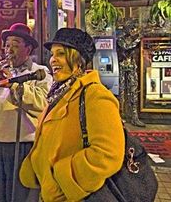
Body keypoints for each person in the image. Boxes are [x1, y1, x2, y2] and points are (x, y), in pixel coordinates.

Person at [19, 28, 125, 201]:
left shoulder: (95, 95)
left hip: (72, 195)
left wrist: (62, 177)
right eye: (52, 54)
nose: (53, 60)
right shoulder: (60, 92)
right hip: (50, 192)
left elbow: (108, 154)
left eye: (60, 53)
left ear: (78, 59)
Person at [0, 23, 52, 202]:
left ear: (28, 48)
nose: (9, 50)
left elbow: (42, 103)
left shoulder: (40, 72)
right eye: (7, 45)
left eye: (15, 45)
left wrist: (11, 81)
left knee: (21, 196)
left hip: (22, 144)